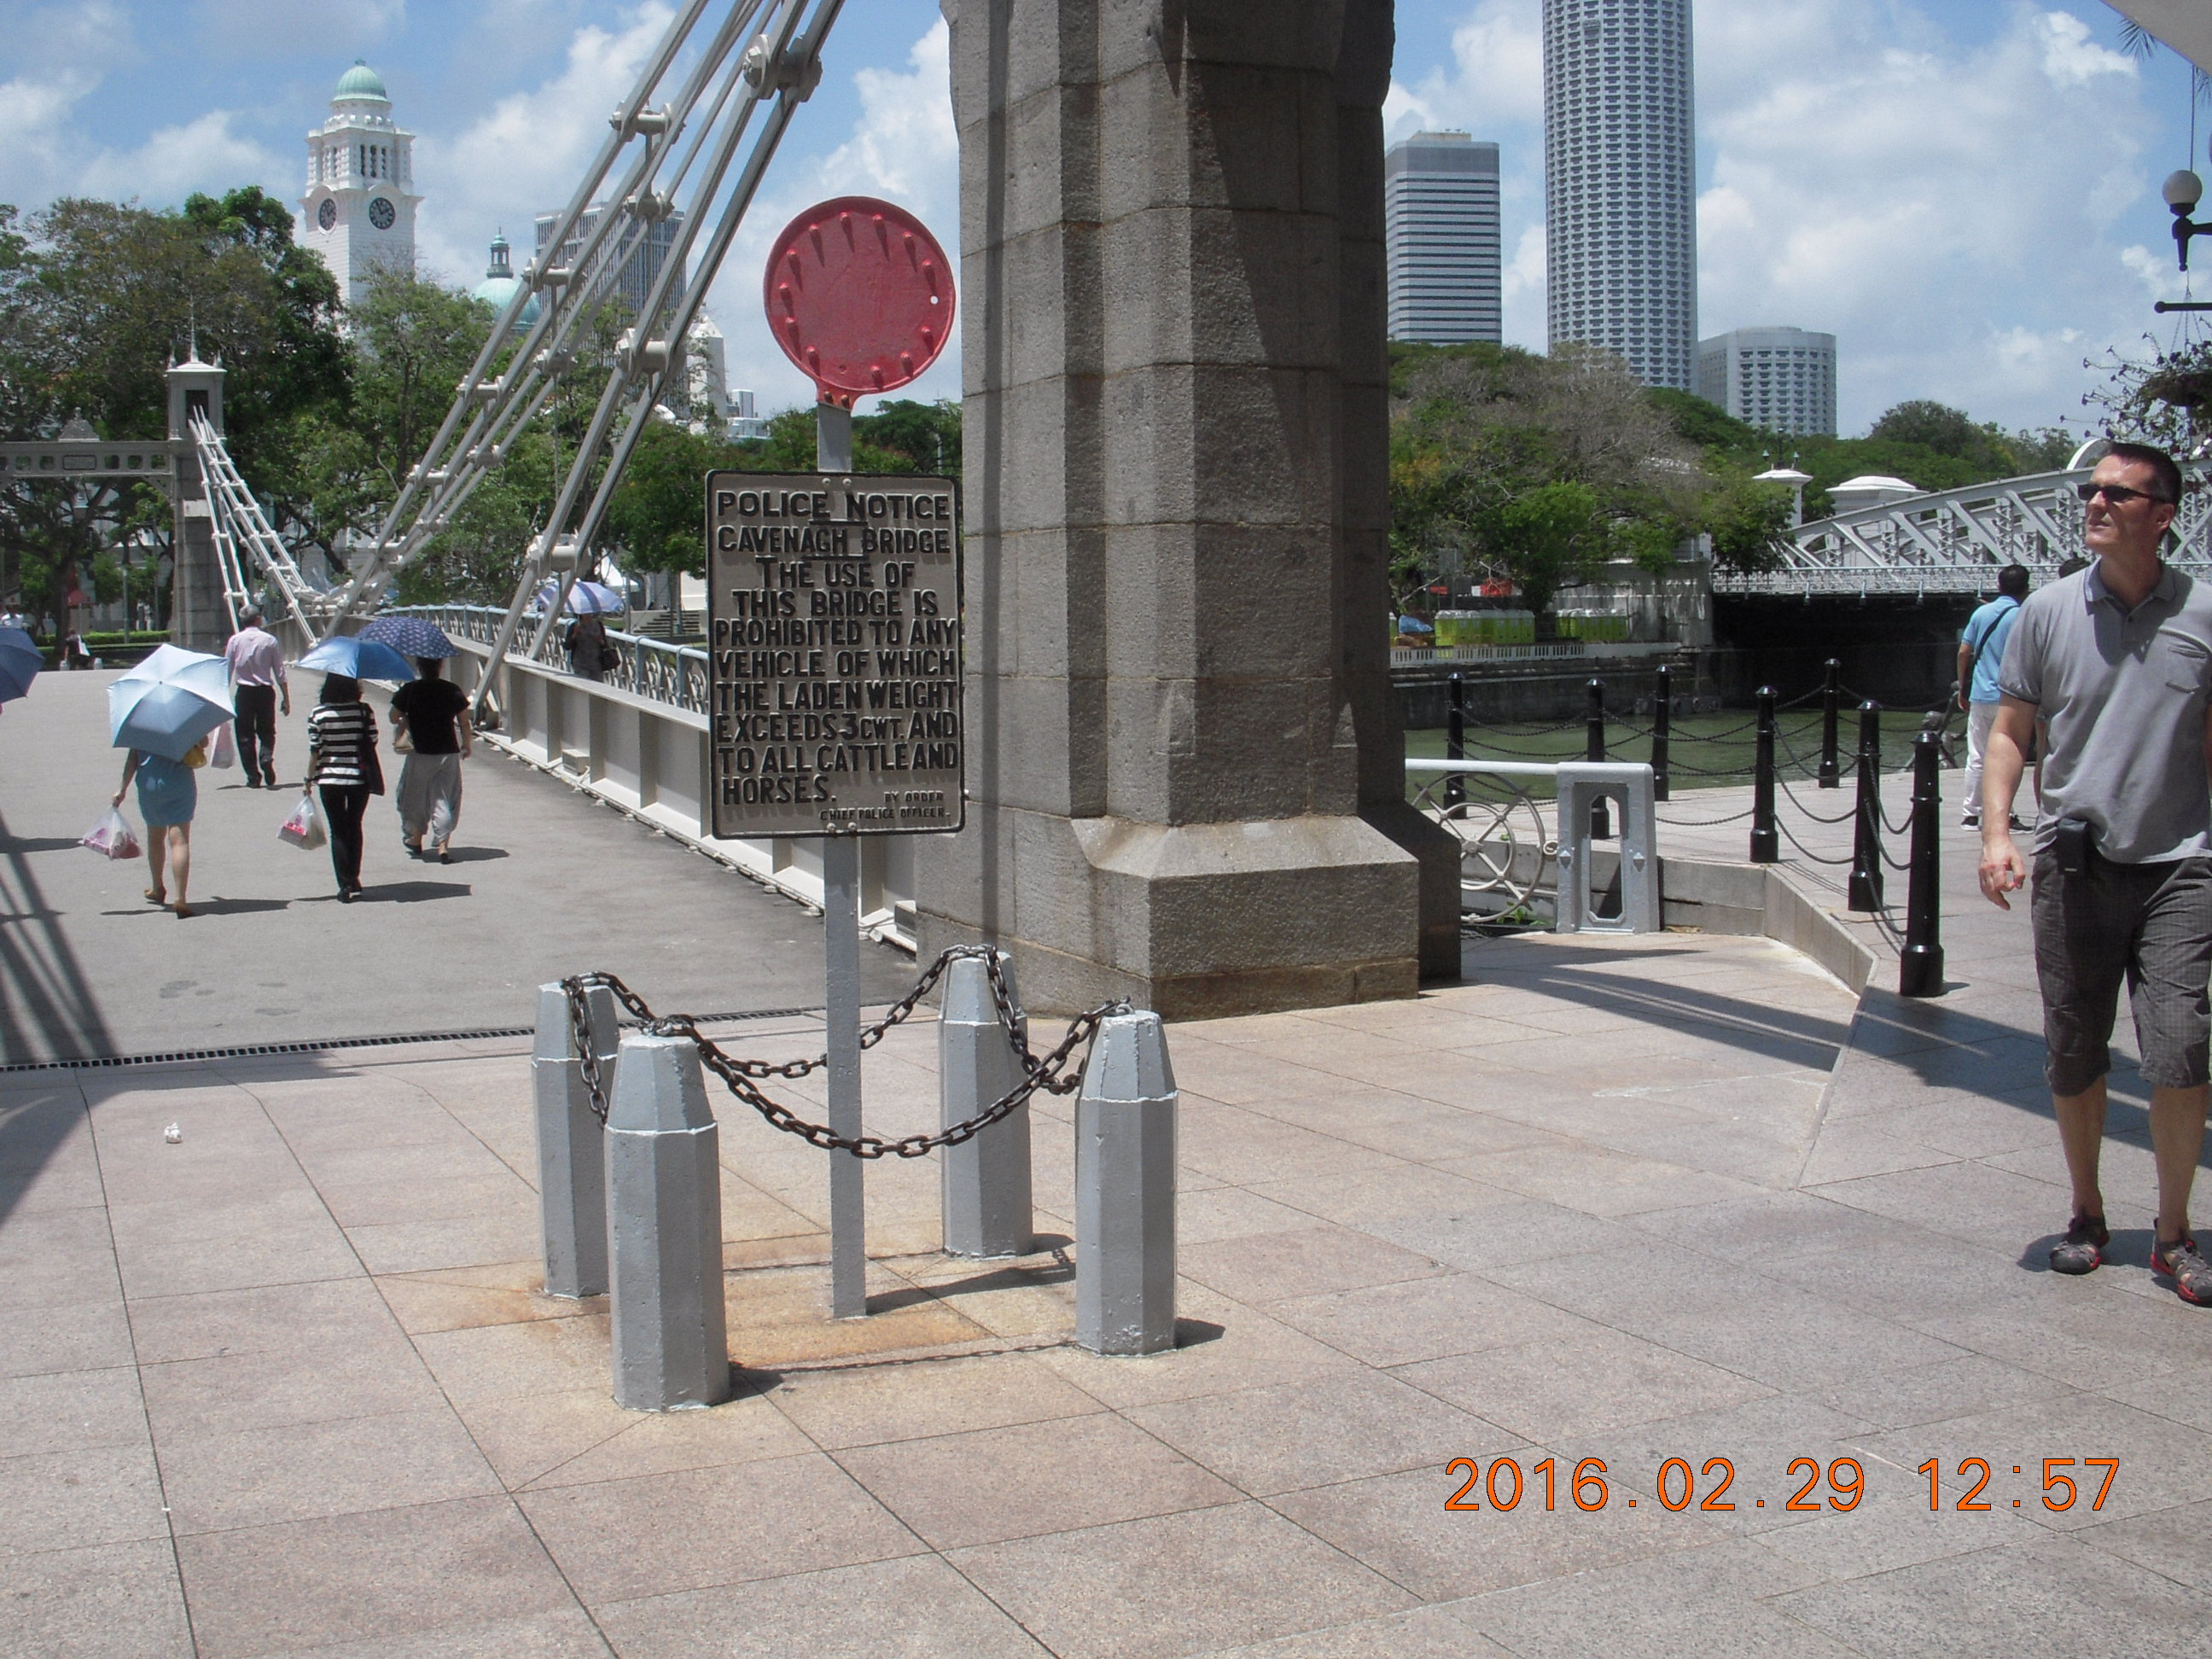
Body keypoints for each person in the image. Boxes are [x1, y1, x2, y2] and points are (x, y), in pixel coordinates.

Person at [1979, 440, 2212, 1305]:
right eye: (2092, 489)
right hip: (2076, 863)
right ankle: (2087, 1213)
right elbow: (2010, 733)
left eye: (2120, 493)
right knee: (2074, 1049)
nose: (2097, 503)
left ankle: (2174, 1234)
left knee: (2182, 1050)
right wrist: (1997, 836)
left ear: (2164, 515)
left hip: (2183, 866)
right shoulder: (2044, 612)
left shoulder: (2205, 613)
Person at [1957, 564, 2029, 828]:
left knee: (1977, 755)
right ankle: (2005, 814)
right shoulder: (2023, 616)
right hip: (2010, 697)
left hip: (1980, 694)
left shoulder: (1981, 613)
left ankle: (1971, 813)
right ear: (2026, 588)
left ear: (1999, 586)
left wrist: (1963, 687)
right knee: (2008, 755)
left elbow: (1964, 652)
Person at [303, 673, 382, 902]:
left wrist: (309, 779)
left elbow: (315, 750)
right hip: (359, 777)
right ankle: (354, 875)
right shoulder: (364, 711)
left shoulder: (318, 713)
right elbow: (372, 740)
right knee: (355, 825)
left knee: (338, 829)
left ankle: (344, 882)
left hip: (329, 779)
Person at [388, 657, 471, 862]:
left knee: (414, 796)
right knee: (444, 798)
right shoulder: (452, 690)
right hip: (448, 752)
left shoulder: (410, 690)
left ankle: (415, 838)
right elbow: (464, 722)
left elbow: (393, 717)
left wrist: (408, 716)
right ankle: (443, 846)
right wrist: (466, 745)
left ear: (419, 667)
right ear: (441, 666)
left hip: (420, 752)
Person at [114, 744, 198, 917]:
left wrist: (122, 789)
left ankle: (157, 887)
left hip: (150, 783)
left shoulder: (140, 729)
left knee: (155, 838)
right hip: (180, 782)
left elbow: (132, 758)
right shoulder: (183, 726)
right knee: (180, 842)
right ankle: (180, 898)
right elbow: (202, 743)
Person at [222, 607, 290, 788]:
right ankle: (266, 756)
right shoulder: (269, 640)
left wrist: (221, 695)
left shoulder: (235, 640)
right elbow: (280, 672)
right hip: (265, 691)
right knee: (267, 730)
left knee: (244, 734)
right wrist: (286, 698)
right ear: (258, 619)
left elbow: (226, 670)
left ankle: (253, 775)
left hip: (244, 692)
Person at [566, 609, 613, 682]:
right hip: (580, 662)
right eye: (585, 614)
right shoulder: (575, 626)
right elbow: (567, 646)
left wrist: (600, 640)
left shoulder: (598, 625)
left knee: (598, 684)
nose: (588, 616)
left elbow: (605, 645)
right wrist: (575, 634)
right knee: (583, 683)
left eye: (589, 613)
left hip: (596, 662)